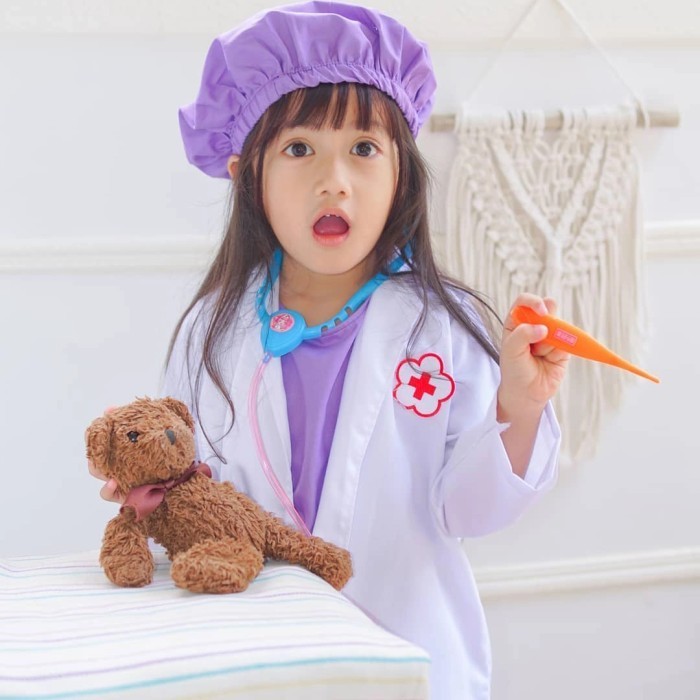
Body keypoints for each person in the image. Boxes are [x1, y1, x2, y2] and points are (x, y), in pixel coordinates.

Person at [89, 2, 569, 697]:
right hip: (250, 656)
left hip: (407, 652)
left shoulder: (443, 326)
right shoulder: (210, 333)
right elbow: (191, 491)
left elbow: (471, 511)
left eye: (364, 149)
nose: (334, 179)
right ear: (246, 175)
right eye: (299, 149)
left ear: (402, 174)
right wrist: (146, 487)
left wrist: (518, 408)